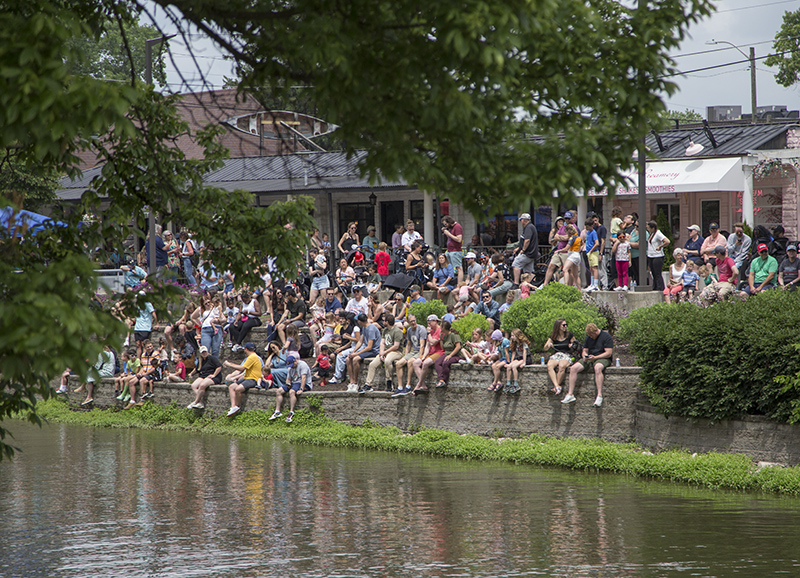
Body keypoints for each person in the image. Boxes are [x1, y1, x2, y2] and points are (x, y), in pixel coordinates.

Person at [562, 323, 613, 407]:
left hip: (602, 358)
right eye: (588, 335)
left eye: (591, 335)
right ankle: (570, 394)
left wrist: (595, 357)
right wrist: (584, 356)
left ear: (596, 331)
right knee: (573, 368)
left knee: (598, 368)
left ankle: (599, 396)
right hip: (590, 358)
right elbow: (585, 350)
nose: (590, 337)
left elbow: (608, 353)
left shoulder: (606, 337)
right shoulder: (588, 338)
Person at [363, 313, 405, 392]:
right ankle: (368, 384)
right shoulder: (385, 330)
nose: (382, 322)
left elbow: (396, 346)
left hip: (396, 352)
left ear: (387, 322)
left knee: (387, 361)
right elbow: (382, 343)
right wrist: (382, 352)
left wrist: (385, 352)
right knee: (372, 364)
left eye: (383, 321)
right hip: (386, 351)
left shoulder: (397, 331)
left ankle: (389, 382)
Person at [392, 313, 427, 396]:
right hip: (413, 351)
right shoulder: (409, 330)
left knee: (410, 362)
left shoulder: (421, 329)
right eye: (411, 321)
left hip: (420, 351)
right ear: (408, 322)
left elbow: (422, 345)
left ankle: (408, 386)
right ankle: (400, 387)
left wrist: (420, 357)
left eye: (414, 320)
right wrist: (405, 356)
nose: (413, 323)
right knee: (398, 364)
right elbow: (408, 344)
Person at [225, 342, 264, 417]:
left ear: (246, 349)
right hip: (247, 377)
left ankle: (237, 407)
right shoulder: (251, 357)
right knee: (231, 386)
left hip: (253, 379)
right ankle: (233, 406)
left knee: (238, 389)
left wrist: (229, 364)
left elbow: (241, 368)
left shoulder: (253, 357)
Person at [270, 358, 312, 423]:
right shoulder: (290, 367)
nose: (291, 367)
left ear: (295, 361)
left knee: (291, 392)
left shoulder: (302, 365)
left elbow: (304, 378)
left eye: (292, 365)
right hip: (293, 383)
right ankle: (277, 411)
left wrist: (301, 389)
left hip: (304, 384)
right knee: (279, 391)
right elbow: (288, 378)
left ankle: (291, 411)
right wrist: (288, 383)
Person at [410, 314, 443, 395]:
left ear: (435, 321)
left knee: (426, 363)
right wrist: (423, 356)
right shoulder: (431, 331)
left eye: (430, 323)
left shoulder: (440, 331)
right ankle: (423, 385)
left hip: (439, 352)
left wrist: (428, 333)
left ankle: (418, 385)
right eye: (428, 323)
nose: (428, 325)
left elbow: (433, 342)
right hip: (430, 352)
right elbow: (427, 345)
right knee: (415, 363)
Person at [543, 210, 577, 286]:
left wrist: (560, 237)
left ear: (572, 218)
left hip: (567, 252)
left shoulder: (573, 227)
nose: (567, 220)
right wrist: (562, 237)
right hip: (559, 250)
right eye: (566, 219)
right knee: (551, 266)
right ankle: (544, 285)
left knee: (567, 270)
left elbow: (568, 238)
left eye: (569, 219)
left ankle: (570, 286)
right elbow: (556, 236)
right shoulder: (563, 227)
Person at [349, 314, 381, 392]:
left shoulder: (371, 329)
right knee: (348, 358)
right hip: (368, 349)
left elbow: (369, 347)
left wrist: (356, 354)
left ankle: (356, 383)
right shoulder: (364, 327)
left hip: (374, 351)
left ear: (359, 321)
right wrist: (353, 351)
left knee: (355, 359)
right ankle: (352, 382)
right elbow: (360, 341)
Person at [185, 346, 223, 410]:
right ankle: (200, 402)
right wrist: (191, 373)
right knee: (194, 385)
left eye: (205, 352)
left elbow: (219, 366)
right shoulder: (201, 360)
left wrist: (214, 375)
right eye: (203, 352)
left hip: (213, 377)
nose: (204, 353)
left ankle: (195, 401)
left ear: (207, 351)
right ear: (200, 353)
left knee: (202, 385)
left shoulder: (211, 358)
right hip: (204, 376)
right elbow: (197, 369)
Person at [544, 319, 575, 395]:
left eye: (566, 325)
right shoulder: (553, 336)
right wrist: (549, 345)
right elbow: (545, 348)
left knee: (562, 366)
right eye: (563, 325)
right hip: (557, 354)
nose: (565, 326)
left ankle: (556, 387)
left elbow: (576, 345)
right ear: (558, 326)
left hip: (566, 354)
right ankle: (557, 386)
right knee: (549, 365)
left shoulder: (569, 335)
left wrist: (572, 345)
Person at [510, 212, 539, 289]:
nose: (520, 222)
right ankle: (533, 284)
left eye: (521, 220)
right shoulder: (531, 227)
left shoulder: (528, 227)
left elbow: (527, 240)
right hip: (532, 254)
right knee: (529, 270)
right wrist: (518, 248)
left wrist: (522, 250)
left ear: (524, 220)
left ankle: (516, 283)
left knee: (516, 264)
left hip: (528, 253)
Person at [433, 320, 463, 388]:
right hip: (447, 353)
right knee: (437, 362)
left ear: (443, 327)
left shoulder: (453, 335)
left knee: (445, 363)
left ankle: (445, 380)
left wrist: (450, 355)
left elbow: (458, 347)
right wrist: (441, 339)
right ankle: (441, 379)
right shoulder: (445, 336)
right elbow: (443, 348)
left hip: (456, 355)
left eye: (441, 326)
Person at [645, 220, 669, 292]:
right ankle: (655, 286)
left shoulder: (658, 233)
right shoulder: (651, 234)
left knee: (657, 273)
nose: (648, 229)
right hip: (651, 255)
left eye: (649, 228)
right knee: (653, 272)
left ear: (653, 228)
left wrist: (660, 246)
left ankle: (660, 287)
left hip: (657, 256)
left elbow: (667, 241)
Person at [502, 329, 529, 394]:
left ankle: (516, 384)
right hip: (519, 358)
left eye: (513, 335)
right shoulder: (515, 343)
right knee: (509, 367)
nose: (511, 337)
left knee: (514, 367)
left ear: (517, 336)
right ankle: (508, 383)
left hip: (526, 358)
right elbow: (514, 353)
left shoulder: (523, 343)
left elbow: (524, 353)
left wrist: (524, 362)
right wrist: (511, 362)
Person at [441, 215, 464, 284]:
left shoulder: (457, 227)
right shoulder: (451, 228)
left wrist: (449, 234)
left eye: (446, 224)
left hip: (455, 250)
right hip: (449, 250)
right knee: (445, 264)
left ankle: (459, 284)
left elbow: (459, 239)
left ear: (449, 222)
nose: (446, 226)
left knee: (458, 268)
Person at [591, 212, 609, 290]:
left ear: (598, 219)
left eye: (595, 220)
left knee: (602, 270)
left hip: (600, 252)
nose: (594, 222)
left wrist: (601, 253)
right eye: (593, 221)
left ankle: (605, 286)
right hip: (595, 252)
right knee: (596, 269)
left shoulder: (602, 228)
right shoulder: (594, 229)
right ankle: (596, 285)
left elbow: (603, 241)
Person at [582, 217, 600, 292]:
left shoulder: (593, 232)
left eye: (588, 226)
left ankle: (596, 285)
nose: (586, 228)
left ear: (592, 225)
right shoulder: (588, 232)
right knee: (591, 268)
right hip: (588, 252)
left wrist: (590, 251)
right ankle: (592, 284)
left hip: (593, 252)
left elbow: (597, 243)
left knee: (594, 268)